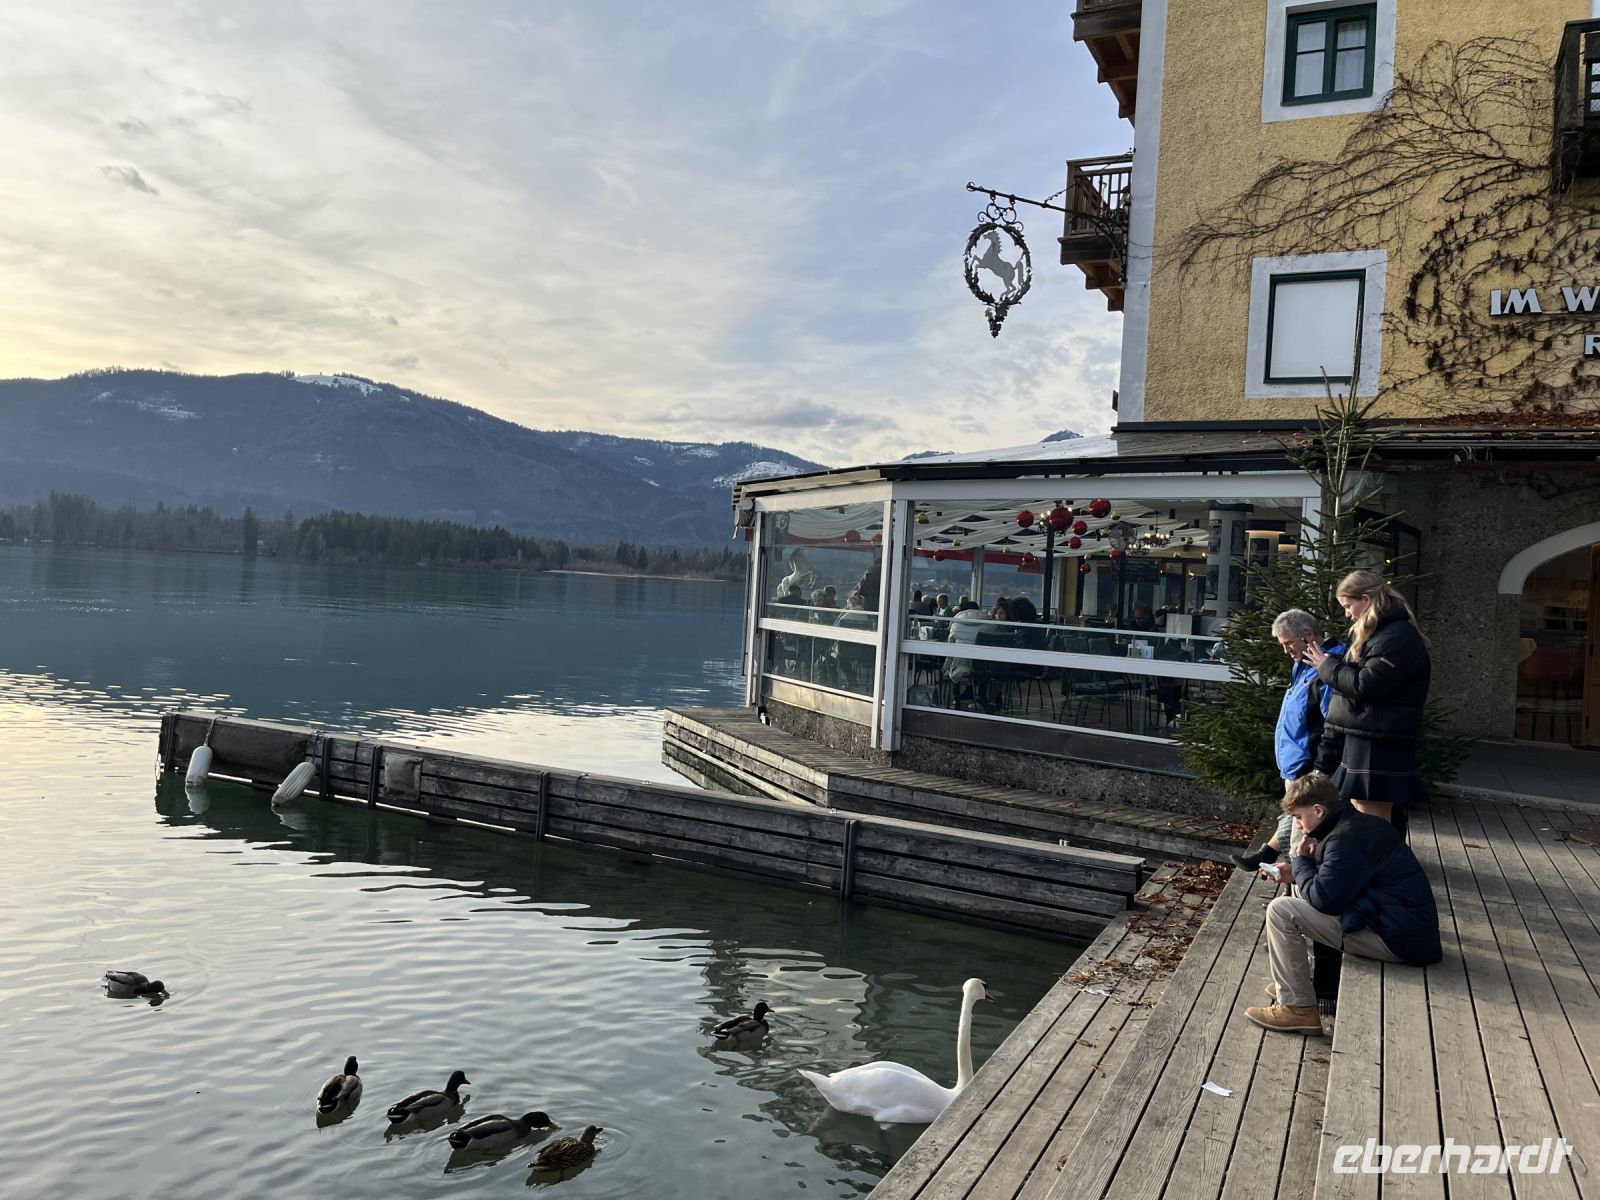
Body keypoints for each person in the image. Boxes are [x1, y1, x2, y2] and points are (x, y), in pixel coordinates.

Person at [1245, 774, 1440, 1034]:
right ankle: (1295, 984)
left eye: (1299, 817)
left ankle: (1298, 1008)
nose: (1298, 824)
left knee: (1281, 911)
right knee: (1298, 896)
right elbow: (1339, 881)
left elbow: (1325, 899)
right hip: (1405, 930)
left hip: (1399, 941)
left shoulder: (1343, 840)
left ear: (1318, 810)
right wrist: (1296, 871)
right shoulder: (1356, 825)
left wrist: (1301, 863)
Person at [1304, 570, 1431, 832]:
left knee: (1372, 814)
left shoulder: (1396, 636)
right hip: (1371, 732)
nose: (1347, 614)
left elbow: (1365, 685)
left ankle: (1383, 869)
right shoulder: (1382, 633)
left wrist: (1326, 666)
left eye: (1348, 606)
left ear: (1366, 599)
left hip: (1380, 737)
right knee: (1367, 809)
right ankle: (1382, 867)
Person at [1232, 609, 1345, 871]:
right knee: (1293, 821)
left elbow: (1334, 723)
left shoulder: (1327, 667)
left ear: (1307, 635)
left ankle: (1300, 892)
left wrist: (1320, 767)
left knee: (1302, 835)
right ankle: (1270, 858)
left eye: (1288, 644)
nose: (1286, 651)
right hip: (1293, 763)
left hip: (1308, 764)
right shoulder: (1302, 663)